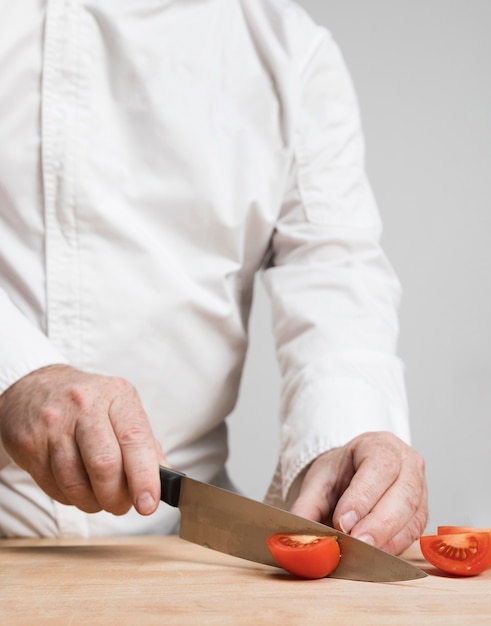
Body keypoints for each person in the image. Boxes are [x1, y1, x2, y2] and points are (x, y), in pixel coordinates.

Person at [0, 0, 427, 553]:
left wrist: (344, 443)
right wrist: (17, 375)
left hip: (177, 543)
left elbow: (335, 269)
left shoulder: (288, 49)